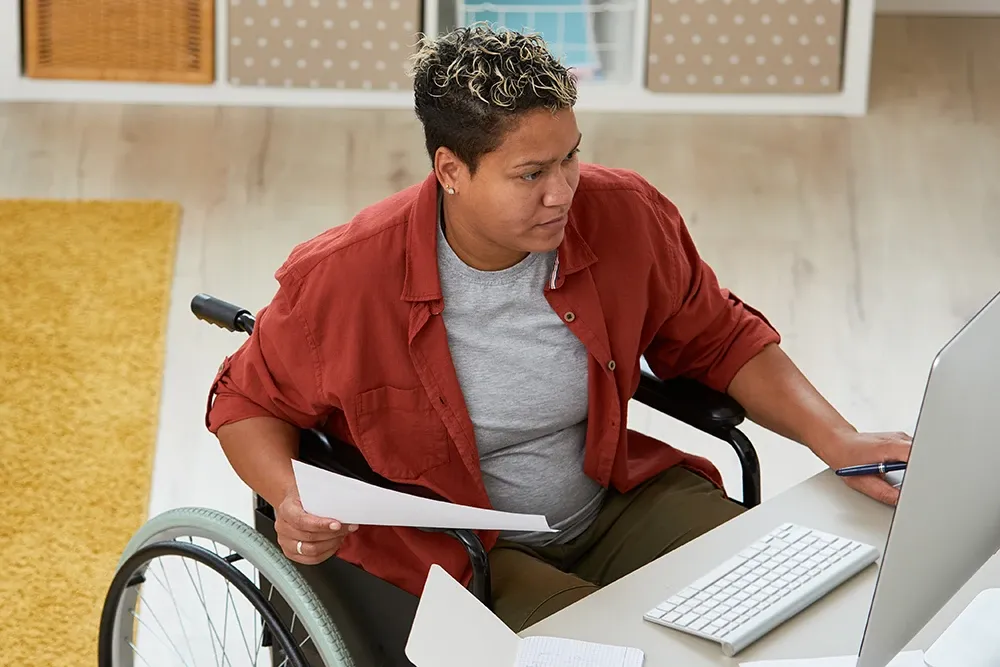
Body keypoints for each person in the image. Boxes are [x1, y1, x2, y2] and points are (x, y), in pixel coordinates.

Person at [205, 24, 911, 632]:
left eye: (571, 156)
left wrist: (838, 439)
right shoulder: (346, 277)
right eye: (531, 173)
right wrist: (290, 498)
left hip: (608, 498)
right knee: (607, 651)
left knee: (785, 590)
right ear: (451, 170)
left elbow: (718, 337)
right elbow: (244, 404)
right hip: (462, 548)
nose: (564, 191)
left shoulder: (624, 213)